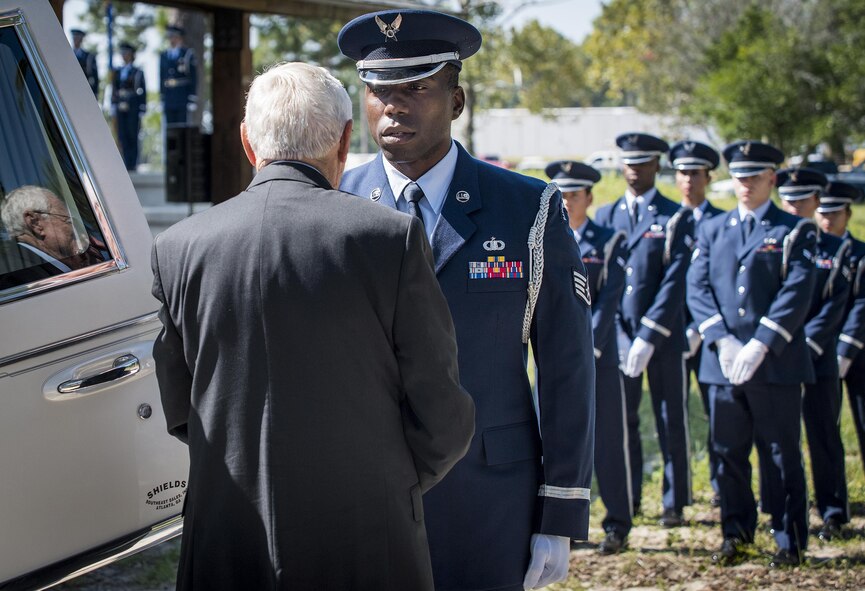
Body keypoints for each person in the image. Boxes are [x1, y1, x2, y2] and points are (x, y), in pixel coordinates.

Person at [150, 62, 475, 590]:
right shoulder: (388, 238)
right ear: (346, 141)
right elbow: (441, 409)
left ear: (247, 143)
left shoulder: (177, 248)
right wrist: (387, 481)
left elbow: (181, 407)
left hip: (227, 533)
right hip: (367, 537)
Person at [338, 10, 595, 591]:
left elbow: (567, 366)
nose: (394, 105)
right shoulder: (335, 206)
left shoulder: (527, 208)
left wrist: (560, 510)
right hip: (361, 494)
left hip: (491, 496)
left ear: (457, 101)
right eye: (379, 90)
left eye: (417, 87)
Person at [687, 140, 815, 567]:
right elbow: (698, 287)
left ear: (772, 180)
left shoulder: (794, 230)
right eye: (740, 177)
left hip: (774, 363)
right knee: (728, 452)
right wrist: (721, 339)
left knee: (780, 451)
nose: (745, 184)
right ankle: (735, 533)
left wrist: (761, 342)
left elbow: (797, 293)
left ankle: (789, 538)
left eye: (755, 177)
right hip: (722, 364)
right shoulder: (713, 228)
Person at [595, 132, 694, 526]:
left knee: (672, 417)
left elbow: (675, 280)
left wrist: (649, 335)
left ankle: (675, 500)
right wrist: (620, 335)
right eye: (629, 163)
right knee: (625, 422)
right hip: (618, 335)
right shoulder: (606, 216)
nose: (635, 170)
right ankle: (631, 497)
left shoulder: (675, 217)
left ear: (657, 165)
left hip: (664, 336)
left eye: (643, 163)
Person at [547, 160, 632, 555]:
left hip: (598, 358)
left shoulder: (609, 240)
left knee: (609, 443)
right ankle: (564, 525)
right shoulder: (543, 235)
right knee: (556, 441)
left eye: (574, 195)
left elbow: (609, 302)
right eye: (560, 195)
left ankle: (617, 523)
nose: (566, 202)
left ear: (589, 198)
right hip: (553, 361)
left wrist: (584, 347)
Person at [671, 140, 726, 506]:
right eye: (683, 173)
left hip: (711, 336)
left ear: (708, 177)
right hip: (670, 337)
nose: (689, 180)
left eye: (696, 173)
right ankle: (677, 496)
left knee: (720, 418)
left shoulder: (722, 223)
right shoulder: (666, 221)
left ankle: (723, 489)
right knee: (674, 418)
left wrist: (702, 327)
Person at [817, 181, 865, 486]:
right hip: (821, 350)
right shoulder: (811, 252)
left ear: (847, 214)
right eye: (823, 213)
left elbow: (862, 304)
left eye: (835, 213)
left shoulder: (860, 253)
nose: (828, 220)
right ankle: (833, 501)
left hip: (857, 351)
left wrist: (846, 349)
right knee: (824, 430)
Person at [0, 185, 86, 281]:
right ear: (35, 223)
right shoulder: (17, 277)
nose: (74, 230)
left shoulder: (21, 265)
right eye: (67, 221)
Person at [111, 42, 146, 171]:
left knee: (132, 133)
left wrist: (142, 107)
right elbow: (114, 89)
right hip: (120, 105)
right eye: (122, 53)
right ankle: (125, 163)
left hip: (133, 106)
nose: (124, 56)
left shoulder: (137, 72)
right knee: (122, 134)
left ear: (131, 55)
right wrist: (113, 104)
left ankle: (132, 163)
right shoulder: (117, 71)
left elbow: (142, 90)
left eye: (126, 53)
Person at [159, 25, 197, 126]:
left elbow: (193, 77)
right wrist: (162, 96)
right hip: (169, 96)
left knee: (182, 126)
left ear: (179, 37)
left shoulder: (187, 54)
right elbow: (161, 77)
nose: (172, 39)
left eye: (174, 36)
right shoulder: (164, 55)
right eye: (170, 37)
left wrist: (192, 97)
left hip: (182, 96)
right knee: (169, 127)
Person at [70, 28, 98, 96]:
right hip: (70, 89)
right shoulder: (67, 54)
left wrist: (95, 93)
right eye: (74, 37)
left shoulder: (89, 57)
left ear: (81, 39)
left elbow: (94, 77)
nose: (75, 40)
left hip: (84, 90)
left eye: (78, 38)